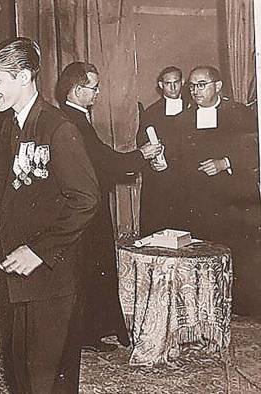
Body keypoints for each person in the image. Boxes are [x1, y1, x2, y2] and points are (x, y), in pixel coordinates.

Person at [0, 37, 100, 393]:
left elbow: (86, 199)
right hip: (19, 271)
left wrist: (39, 250)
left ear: (24, 76)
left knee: (46, 376)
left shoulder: (59, 128)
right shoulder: (12, 126)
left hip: (50, 274)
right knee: (22, 370)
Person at [56, 62, 162, 353]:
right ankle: (88, 334)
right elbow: (104, 161)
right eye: (94, 87)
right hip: (85, 209)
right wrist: (141, 154)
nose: (98, 93)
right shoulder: (73, 121)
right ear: (77, 90)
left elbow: (101, 161)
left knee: (94, 268)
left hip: (87, 205)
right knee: (91, 269)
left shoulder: (76, 117)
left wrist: (132, 159)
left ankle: (93, 331)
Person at [168, 65, 259, 315]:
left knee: (236, 251)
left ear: (217, 86)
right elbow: (176, 159)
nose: (195, 91)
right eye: (193, 86)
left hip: (232, 197)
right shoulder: (183, 120)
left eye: (201, 84)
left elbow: (254, 152)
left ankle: (239, 305)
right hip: (197, 200)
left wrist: (225, 163)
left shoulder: (240, 114)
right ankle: (202, 306)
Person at [138, 66, 187, 235]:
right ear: (161, 85)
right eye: (168, 84)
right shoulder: (150, 113)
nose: (173, 88)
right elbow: (142, 143)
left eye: (176, 83)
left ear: (182, 82)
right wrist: (152, 161)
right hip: (160, 179)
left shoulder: (193, 108)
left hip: (185, 176)